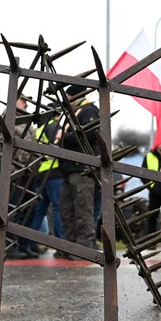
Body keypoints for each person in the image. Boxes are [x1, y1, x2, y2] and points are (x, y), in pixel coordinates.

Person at [58, 85, 100, 257]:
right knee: (66, 209)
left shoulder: (89, 111)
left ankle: (83, 248)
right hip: (70, 169)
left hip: (82, 169)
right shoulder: (75, 113)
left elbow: (88, 134)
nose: (66, 100)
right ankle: (70, 245)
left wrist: (64, 137)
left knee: (82, 209)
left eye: (68, 97)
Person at [29, 112, 64, 242]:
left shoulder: (39, 129)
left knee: (40, 211)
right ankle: (61, 242)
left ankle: (29, 242)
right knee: (57, 208)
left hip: (41, 173)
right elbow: (57, 148)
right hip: (54, 172)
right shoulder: (54, 126)